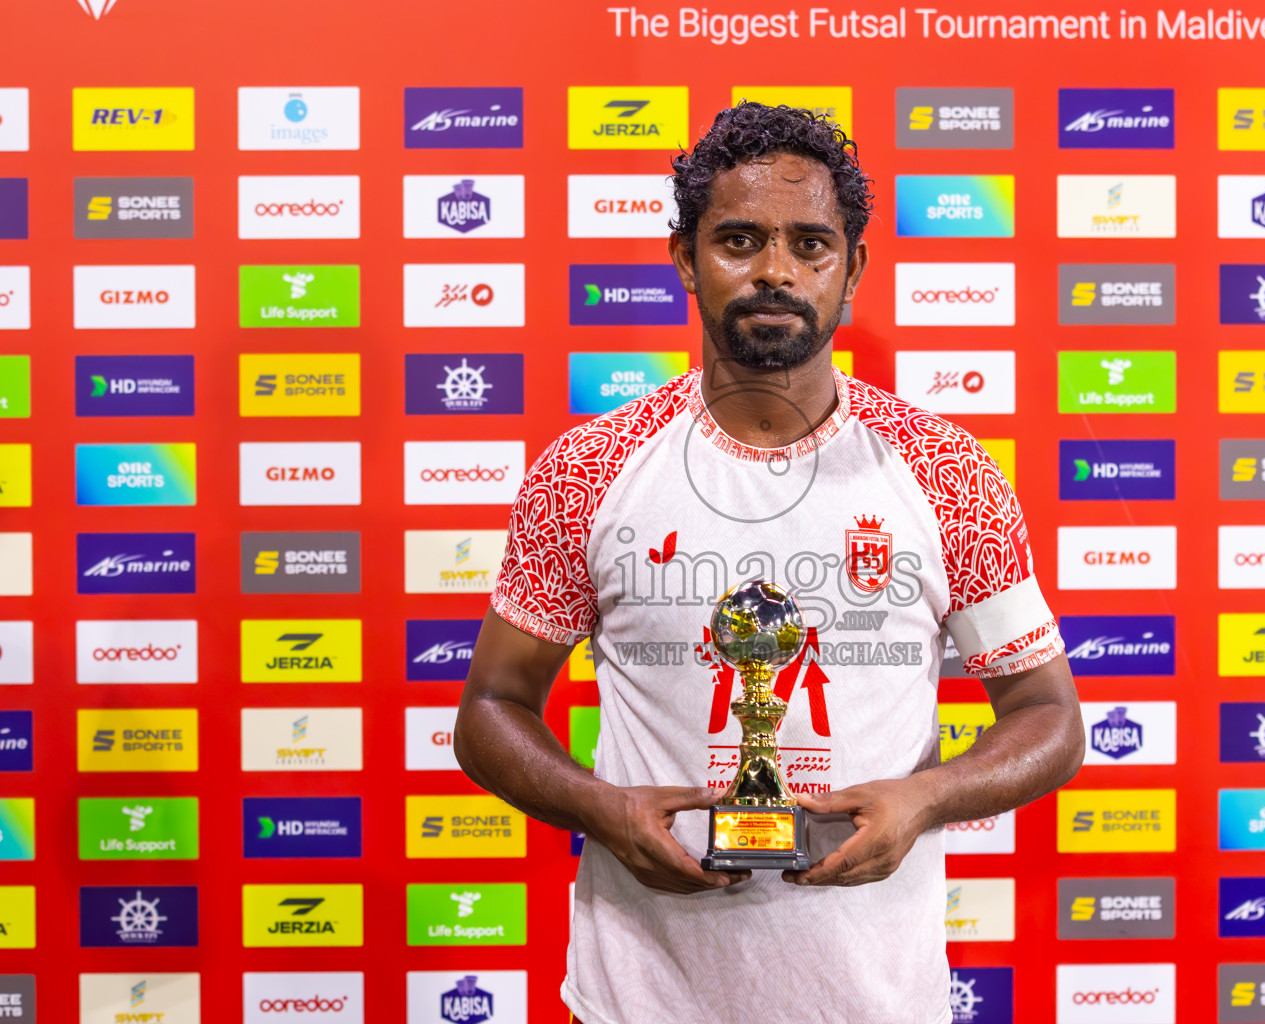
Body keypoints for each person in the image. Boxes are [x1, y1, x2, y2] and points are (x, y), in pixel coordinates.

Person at [455, 101, 1083, 1024]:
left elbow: (1049, 716)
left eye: (811, 245)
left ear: (853, 267)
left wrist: (924, 799)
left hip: (873, 999)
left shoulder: (946, 473)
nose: (776, 272)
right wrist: (603, 809)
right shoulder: (592, 470)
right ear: (684, 258)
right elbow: (490, 708)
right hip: (644, 997)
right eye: (740, 240)